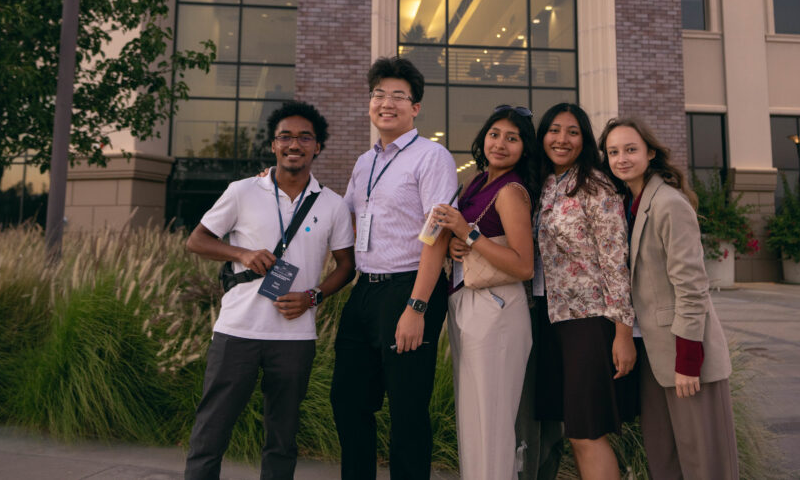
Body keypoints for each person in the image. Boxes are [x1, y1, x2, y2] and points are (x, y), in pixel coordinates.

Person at [183, 101, 356, 480]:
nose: (295, 144)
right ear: (273, 146)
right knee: (211, 431)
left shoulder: (333, 205)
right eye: (285, 137)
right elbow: (197, 241)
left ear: (317, 147)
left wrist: (314, 296)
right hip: (237, 332)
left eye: (304, 137)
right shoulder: (242, 191)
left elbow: (347, 266)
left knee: (282, 438)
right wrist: (241, 252)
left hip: (295, 336)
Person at [330, 56, 458, 480]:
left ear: (415, 107)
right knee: (348, 399)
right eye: (378, 94)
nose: (386, 103)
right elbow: (340, 214)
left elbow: (436, 233)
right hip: (365, 289)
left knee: (406, 408)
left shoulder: (431, 156)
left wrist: (416, 307)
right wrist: (277, 181)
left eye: (398, 96)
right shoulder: (365, 162)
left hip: (408, 288)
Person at [598, 117, 739, 480]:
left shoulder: (669, 204)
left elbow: (692, 286)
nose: (621, 158)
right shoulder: (629, 202)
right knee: (665, 459)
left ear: (650, 153)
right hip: (653, 354)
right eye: (613, 152)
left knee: (705, 463)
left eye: (630, 149)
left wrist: (689, 359)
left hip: (684, 356)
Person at [433, 105, 539, 479]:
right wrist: (455, 245)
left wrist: (469, 234)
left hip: (497, 309)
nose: (501, 143)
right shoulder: (478, 182)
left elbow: (524, 264)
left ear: (525, 148)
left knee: (491, 422)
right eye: (495, 134)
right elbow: (470, 238)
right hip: (467, 301)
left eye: (513, 138)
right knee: (473, 419)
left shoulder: (510, 190)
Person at [535, 103, 638, 480]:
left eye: (573, 132)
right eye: (554, 130)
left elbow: (615, 260)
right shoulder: (546, 183)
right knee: (573, 430)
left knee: (586, 431)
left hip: (590, 321)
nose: (562, 139)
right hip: (553, 319)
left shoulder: (595, 184)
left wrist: (623, 333)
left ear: (585, 139)